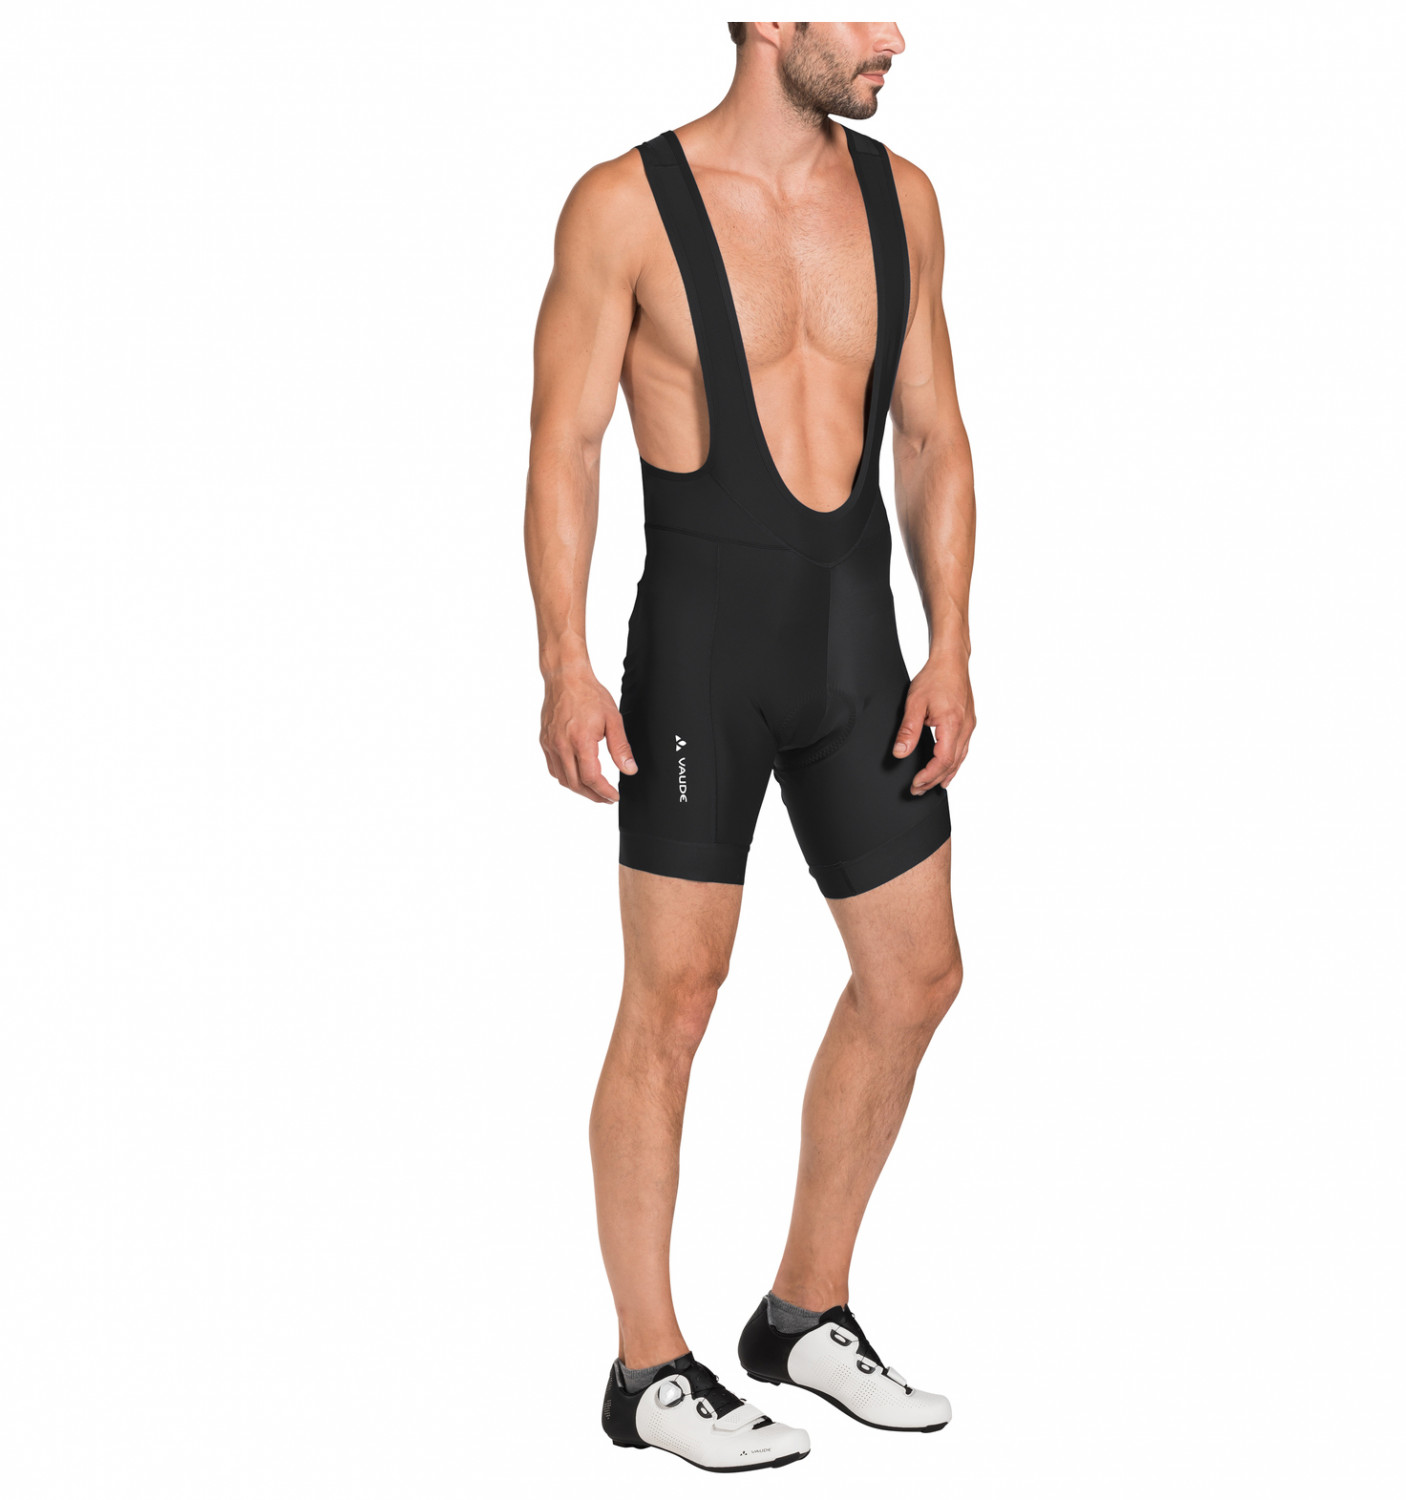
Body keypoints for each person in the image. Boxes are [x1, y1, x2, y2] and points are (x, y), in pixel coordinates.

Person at [524, 21, 977, 1473]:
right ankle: (648, 1370)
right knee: (674, 997)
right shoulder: (623, 205)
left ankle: (803, 1312)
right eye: (862, 11)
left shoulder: (903, 199)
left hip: (858, 651)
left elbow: (932, 434)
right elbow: (563, 440)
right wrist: (563, 658)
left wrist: (952, 641)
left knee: (916, 975)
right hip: (699, 660)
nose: (893, 35)